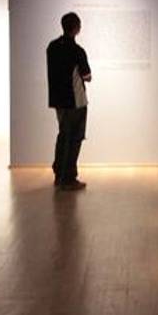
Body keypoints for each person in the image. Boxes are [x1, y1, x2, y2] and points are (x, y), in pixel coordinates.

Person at [46, 12, 92, 191]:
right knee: (74, 139)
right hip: (76, 101)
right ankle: (69, 178)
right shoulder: (77, 51)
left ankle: (59, 174)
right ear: (76, 28)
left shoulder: (52, 47)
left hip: (58, 101)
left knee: (63, 136)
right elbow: (87, 76)